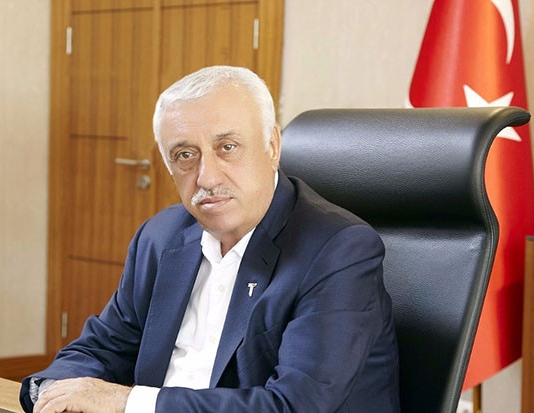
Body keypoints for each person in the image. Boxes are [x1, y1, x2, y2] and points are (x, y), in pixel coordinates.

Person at [20, 66, 400, 413]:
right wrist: (52, 392)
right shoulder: (161, 237)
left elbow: (293, 405)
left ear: (272, 146)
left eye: (227, 147)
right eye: (186, 155)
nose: (207, 177)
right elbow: (103, 347)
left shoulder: (338, 251)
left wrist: (127, 402)